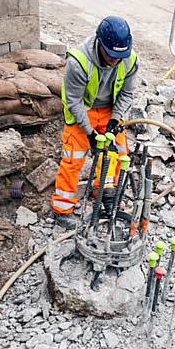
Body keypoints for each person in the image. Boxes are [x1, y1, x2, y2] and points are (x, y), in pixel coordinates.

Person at [51, 15, 139, 229]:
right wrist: (90, 133)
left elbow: (127, 94)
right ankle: (62, 209)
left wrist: (115, 119)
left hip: (110, 110)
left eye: (119, 56)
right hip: (84, 110)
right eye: (110, 56)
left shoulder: (129, 60)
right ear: (100, 43)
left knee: (117, 152)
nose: (115, 60)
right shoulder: (79, 61)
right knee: (74, 157)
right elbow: (72, 100)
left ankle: (106, 193)